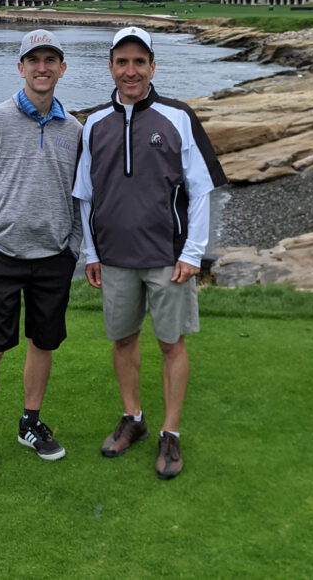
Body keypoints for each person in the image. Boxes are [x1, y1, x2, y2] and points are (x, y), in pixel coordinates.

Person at [73, 26, 227, 480]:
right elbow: (85, 195)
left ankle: (171, 433)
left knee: (170, 343)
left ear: (153, 67)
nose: (131, 70)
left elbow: (200, 192)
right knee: (123, 340)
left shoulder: (178, 117)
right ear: (111, 67)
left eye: (140, 61)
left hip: (168, 257)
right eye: (122, 61)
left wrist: (193, 253)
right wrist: (91, 251)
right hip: (114, 258)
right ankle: (134, 419)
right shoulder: (94, 124)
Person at [0, 28, 82, 483]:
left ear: (62, 68)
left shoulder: (75, 130)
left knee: (43, 343)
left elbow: (79, 197)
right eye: (34, 59)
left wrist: (73, 248)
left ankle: (29, 423)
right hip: (2, 255)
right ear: (20, 67)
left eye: (51, 59)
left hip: (53, 257)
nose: (42, 67)